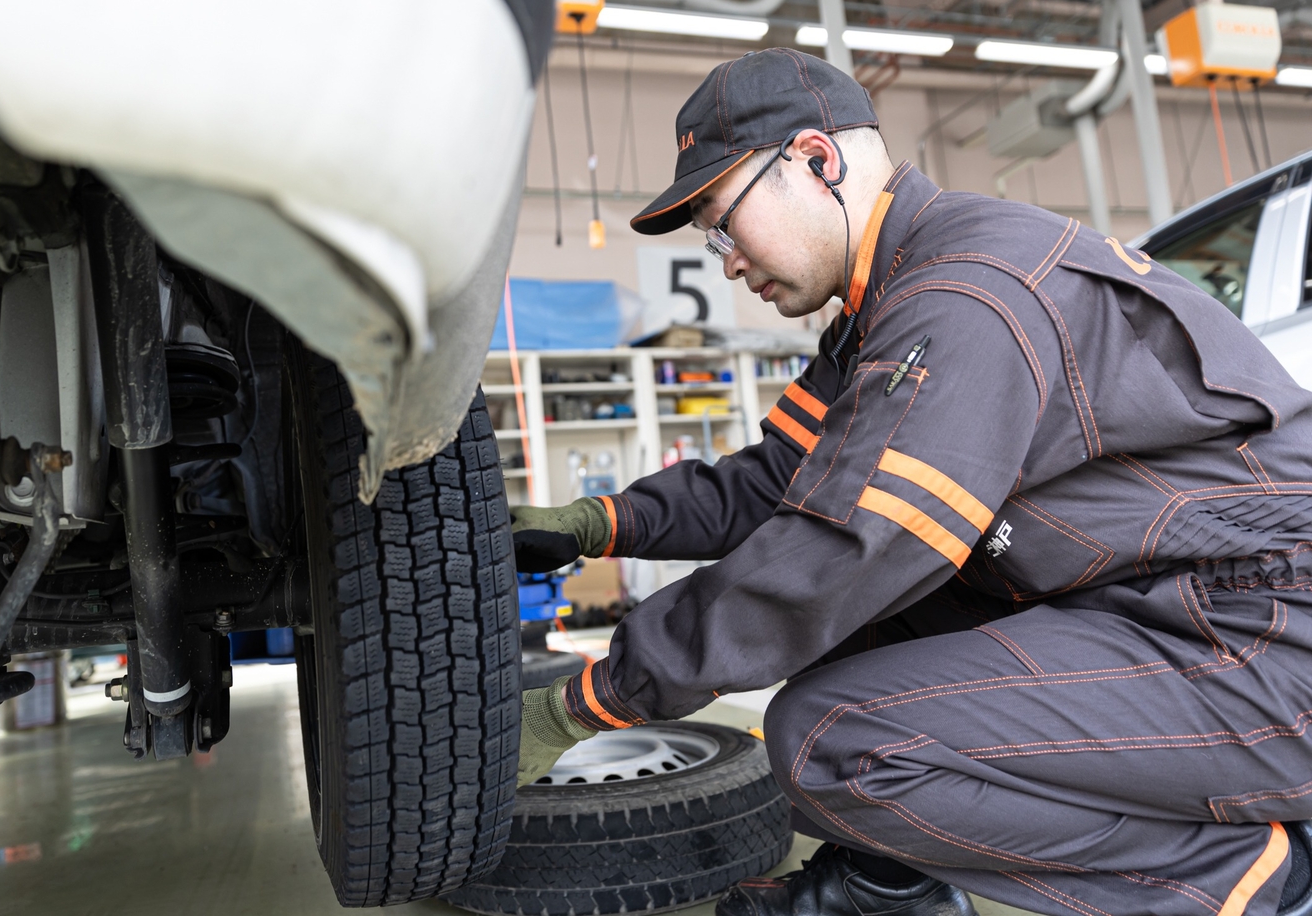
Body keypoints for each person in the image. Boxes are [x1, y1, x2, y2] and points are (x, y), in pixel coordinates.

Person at [509, 47, 1312, 916]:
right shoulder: (886, 304)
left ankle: (1253, 879)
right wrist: (597, 523)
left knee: (832, 737)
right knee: (883, 613)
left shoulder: (968, 293)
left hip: (1261, 640)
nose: (726, 261)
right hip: (1160, 605)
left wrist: (590, 701)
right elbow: (784, 480)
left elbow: (848, 545)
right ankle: (886, 890)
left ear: (815, 161)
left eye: (721, 218)